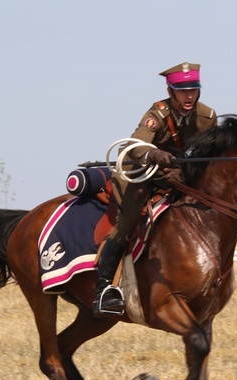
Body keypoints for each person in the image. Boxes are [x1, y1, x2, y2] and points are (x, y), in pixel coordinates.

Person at [93, 62, 218, 317]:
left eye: (193, 89)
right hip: (139, 174)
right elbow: (134, 146)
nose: (189, 96)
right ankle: (104, 290)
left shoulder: (207, 117)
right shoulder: (157, 114)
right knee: (128, 220)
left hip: (176, 177)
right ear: (170, 90)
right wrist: (155, 154)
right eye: (182, 90)